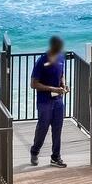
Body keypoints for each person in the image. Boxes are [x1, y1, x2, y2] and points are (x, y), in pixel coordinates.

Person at [29, 37, 70, 167]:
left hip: (58, 100)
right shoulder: (42, 61)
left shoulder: (61, 57)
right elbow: (33, 84)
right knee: (43, 127)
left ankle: (55, 157)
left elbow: (62, 74)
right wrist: (52, 89)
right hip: (44, 101)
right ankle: (35, 151)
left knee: (57, 129)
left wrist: (64, 84)